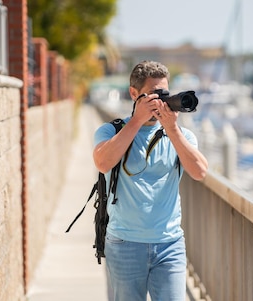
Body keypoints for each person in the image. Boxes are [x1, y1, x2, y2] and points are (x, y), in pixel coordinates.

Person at [93, 60, 208, 301]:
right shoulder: (111, 131)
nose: (162, 101)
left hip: (170, 245)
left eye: (165, 94)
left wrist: (172, 129)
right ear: (134, 94)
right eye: (155, 95)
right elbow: (103, 163)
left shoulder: (181, 136)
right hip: (124, 244)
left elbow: (200, 172)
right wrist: (136, 121)